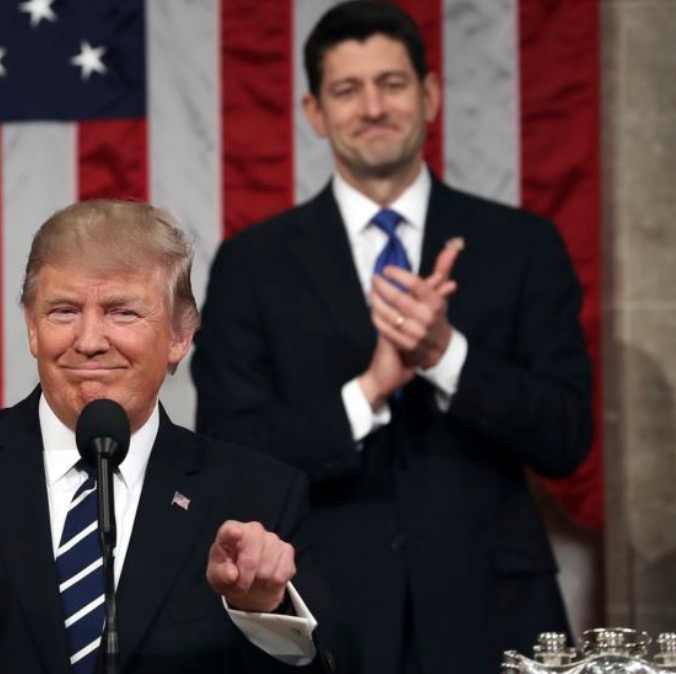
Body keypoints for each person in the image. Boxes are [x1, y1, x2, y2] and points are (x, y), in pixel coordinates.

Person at [0, 200, 356, 674]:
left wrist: (265, 610)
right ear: (31, 326)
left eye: (123, 312)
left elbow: (337, 661)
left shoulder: (256, 494)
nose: (90, 340)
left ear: (180, 335)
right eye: (63, 311)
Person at [190, 2, 593, 673]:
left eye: (392, 84)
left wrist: (446, 356)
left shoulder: (522, 245)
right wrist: (368, 391)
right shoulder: (253, 264)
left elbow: (568, 437)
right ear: (315, 111)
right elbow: (231, 449)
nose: (373, 107)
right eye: (348, 90)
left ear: (430, 96)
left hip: (494, 613)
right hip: (331, 612)